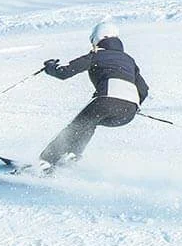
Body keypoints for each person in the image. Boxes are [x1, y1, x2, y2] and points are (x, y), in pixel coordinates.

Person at [37, 20, 149, 166]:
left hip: (106, 103)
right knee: (88, 124)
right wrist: (131, 105)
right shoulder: (129, 60)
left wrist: (50, 67)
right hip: (128, 113)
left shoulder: (98, 55)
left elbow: (64, 73)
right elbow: (143, 90)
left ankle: (45, 162)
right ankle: (71, 158)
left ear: (97, 38)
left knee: (76, 127)